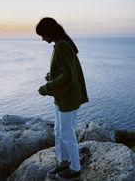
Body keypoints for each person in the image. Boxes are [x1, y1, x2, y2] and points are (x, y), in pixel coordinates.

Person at [36, 17, 88, 181]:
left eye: (43, 35)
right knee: (59, 131)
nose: (42, 39)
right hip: (63, 96)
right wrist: (52, 76)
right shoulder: (60, 45)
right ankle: (63, 162)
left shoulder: (62, 46)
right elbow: (65, 71)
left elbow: (68, 76)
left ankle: (75, 169)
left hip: (68, 97)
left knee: (67, 133)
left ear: (49, 32)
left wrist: (47, 88)